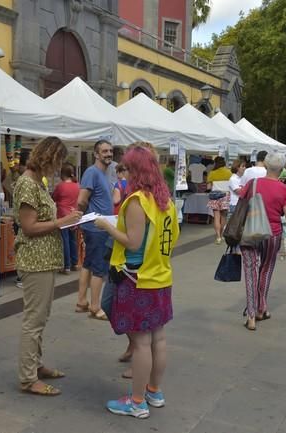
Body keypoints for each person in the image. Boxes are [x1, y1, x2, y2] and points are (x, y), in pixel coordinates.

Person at [95, 145, 179, 419]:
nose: (124, 172)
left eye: (128, 168)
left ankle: (137, 401)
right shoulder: (165, 200)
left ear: (136, 170)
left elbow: (131, 242)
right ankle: (154, 391)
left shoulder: (137, 201)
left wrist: (107, 226)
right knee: (159, 338)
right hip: (160, 275)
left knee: (142, 343)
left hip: (137, 277)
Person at [14, 136, 82, 396]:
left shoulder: (36, 183)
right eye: (58, 161)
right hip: (35, 260)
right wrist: (60, 223)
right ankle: (28, 378)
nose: (58, 167)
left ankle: (35, 365)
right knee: (34, 320)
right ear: (49, 158)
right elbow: (29, 227)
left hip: (43, 259)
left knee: (40, 318)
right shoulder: (28, 185)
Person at [240, 152, 286, 331]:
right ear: (281, 169)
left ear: (265, 165)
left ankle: (251, 315)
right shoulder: (283, 189)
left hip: (250, 232)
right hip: (272, 234)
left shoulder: (252, 183)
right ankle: (261, 308)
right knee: (266, 269)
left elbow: (241, 204)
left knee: (251, 272)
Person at [77, 139, 114, 320]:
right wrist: (87, 217)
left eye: (110, 151)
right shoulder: (92, 172)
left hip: (99, 226)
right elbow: (82, 199)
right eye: (104, 151)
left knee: (89, 264)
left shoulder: (103, 173)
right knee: (99, 268)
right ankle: (95, 307)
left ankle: (82, 301)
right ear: (96, 154)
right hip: (96, 228)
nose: (108, 154)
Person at [52, 163, 80, 274]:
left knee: (65, 241)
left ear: (62, 174)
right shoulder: (77, 185)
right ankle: (75, 263)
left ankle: (66, 266)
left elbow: (54, 197)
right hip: (74, 215)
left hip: (63, 215)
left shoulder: (61, 186)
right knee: (73, 240)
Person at [206, 156, 231, 245]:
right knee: (223, 217)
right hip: (225, 196)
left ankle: (218, 237)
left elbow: (208, 187)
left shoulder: (212, 173)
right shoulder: (229, 172)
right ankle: (221, 234)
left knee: (216, 216)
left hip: (214, 196)